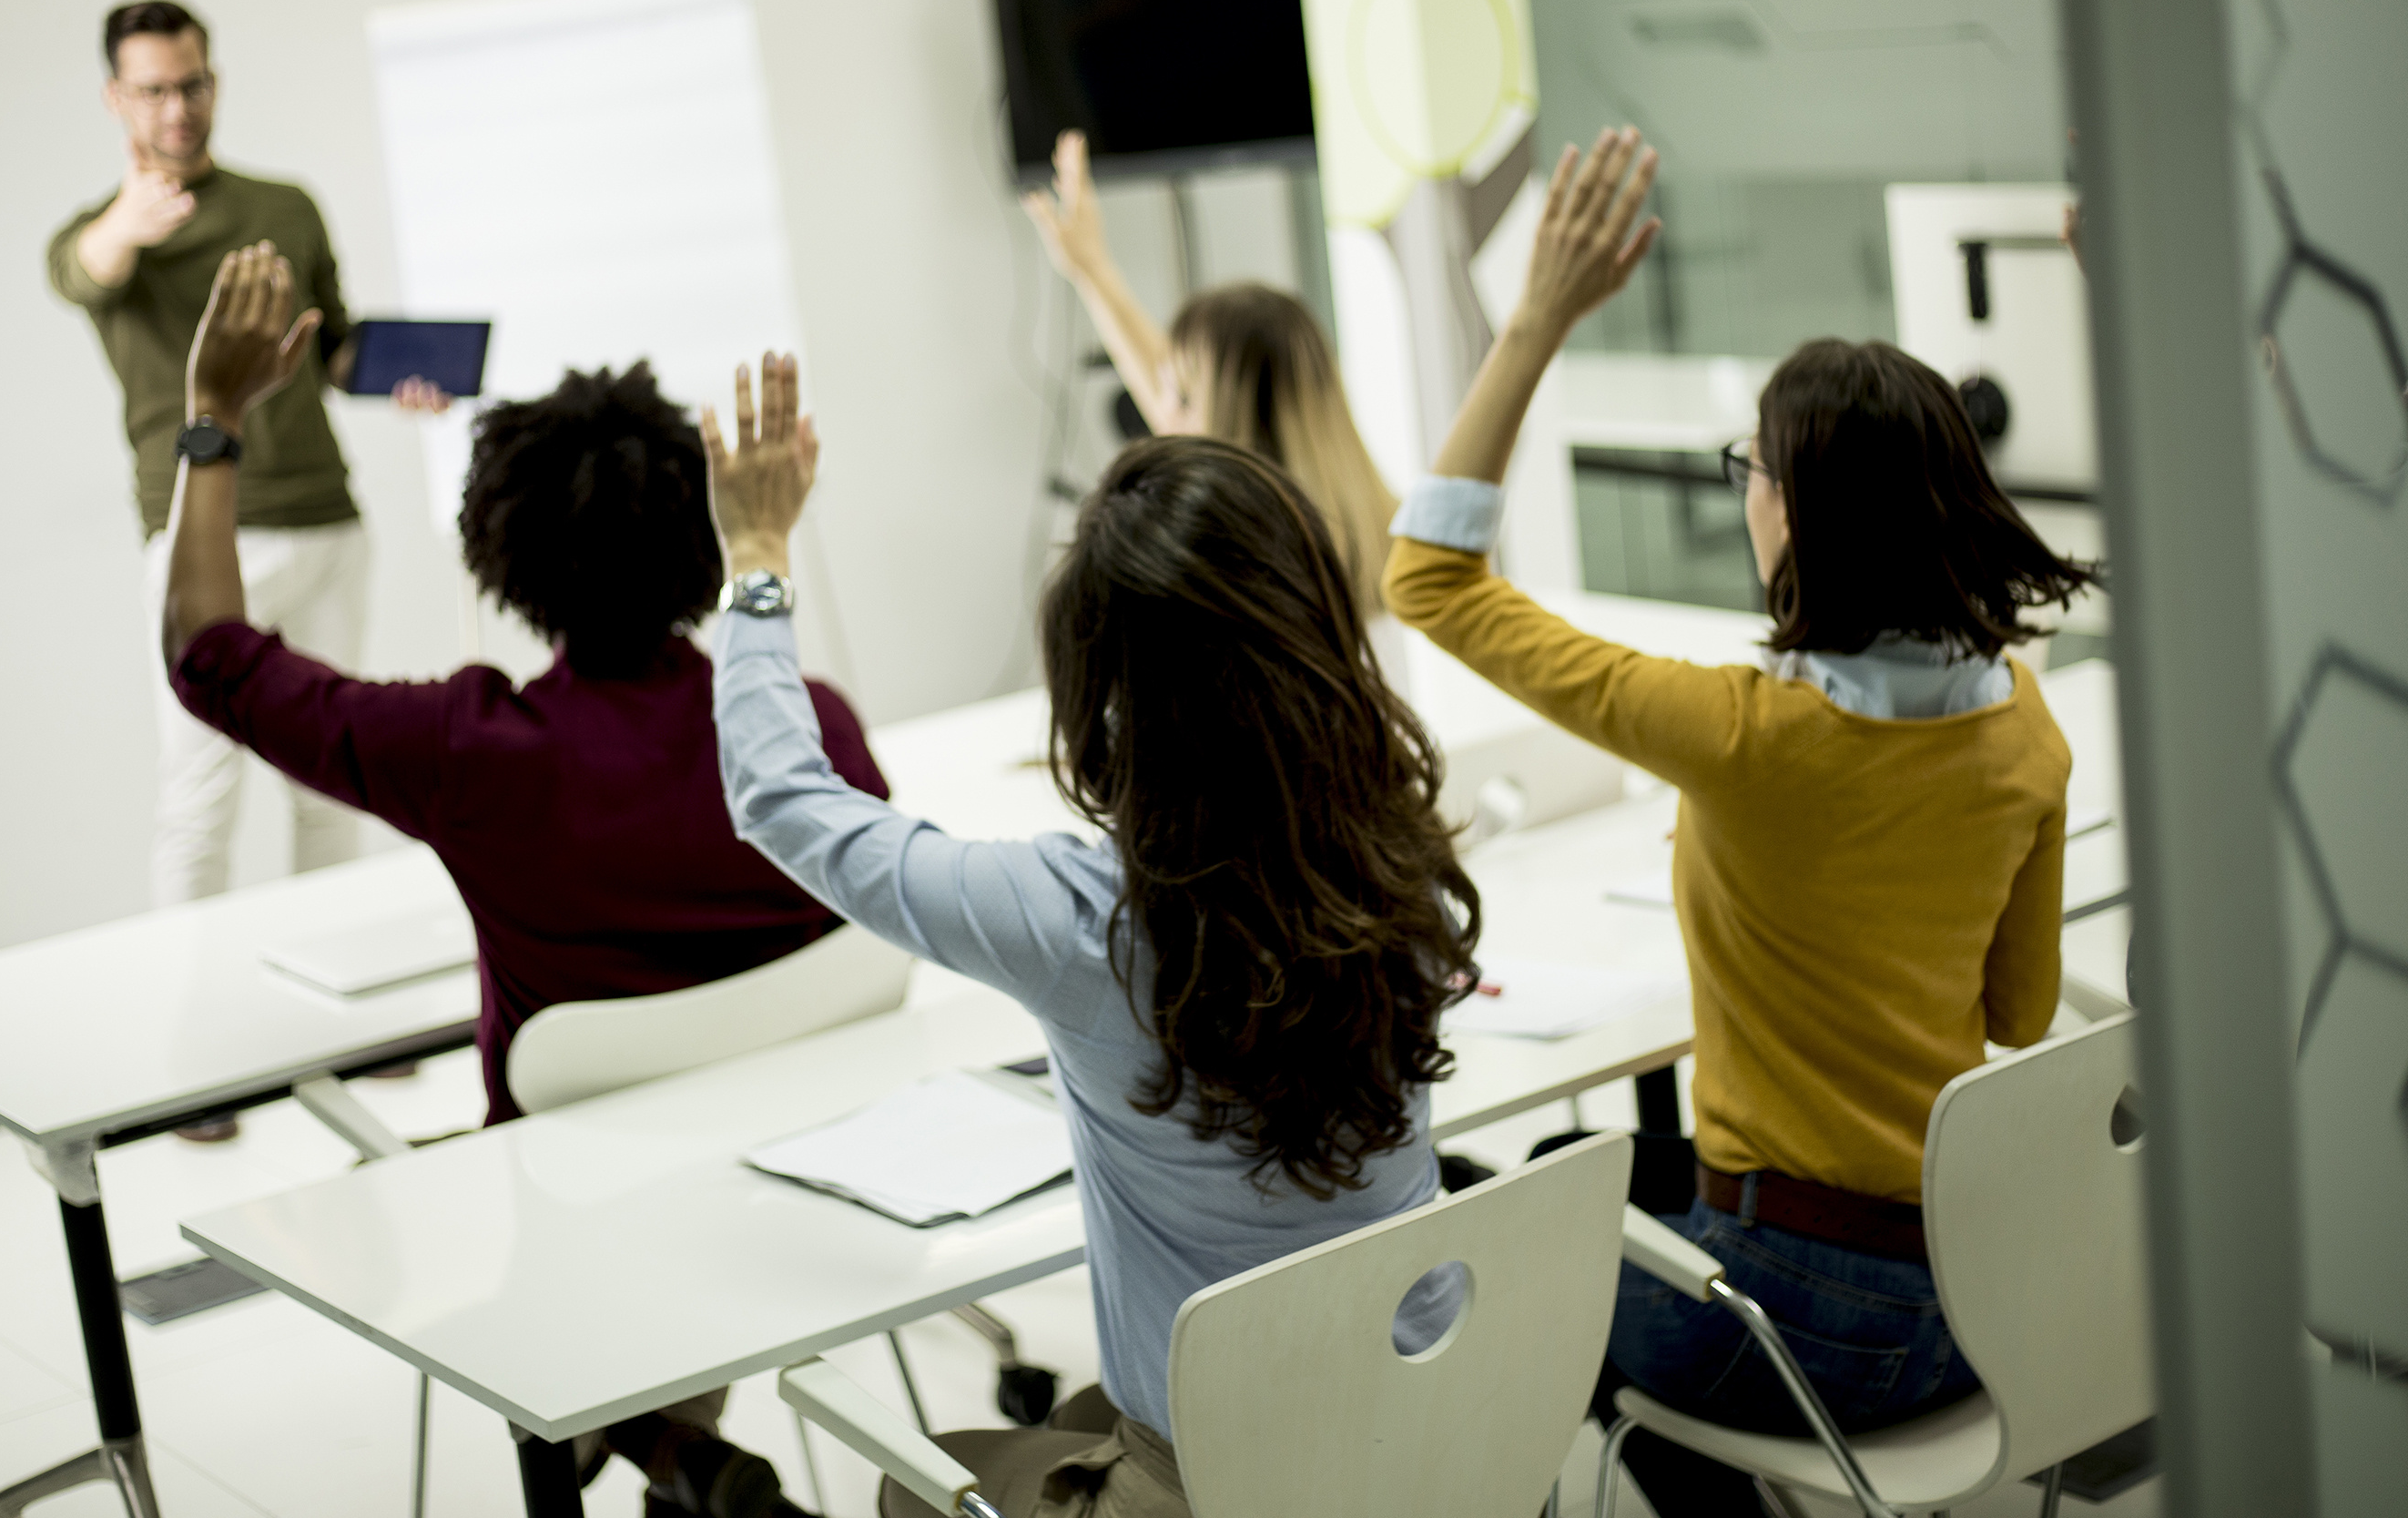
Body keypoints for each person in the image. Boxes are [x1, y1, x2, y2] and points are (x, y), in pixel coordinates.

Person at [1383, 129, 2100, 1518]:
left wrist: (1532, 321)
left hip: (1808, 1320)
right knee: (1565, 1176)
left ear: (1798, 513)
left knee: (1508, 1267)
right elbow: (2013, 1015)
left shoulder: (1740, 732)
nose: (1745, 495)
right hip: (1982, 1285)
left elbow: (1426, 577)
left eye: (1749, 470)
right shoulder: (2022, 725)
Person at [165, 250, 885, 1517]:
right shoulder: (810, 728)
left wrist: (212, 423)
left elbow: (210, 660)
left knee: (496, 1226)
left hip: (574, 1221)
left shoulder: (469, 749)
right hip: (811, 1201)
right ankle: (677, 1451)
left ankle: (663, 1449)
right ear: (706, 536)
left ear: (500, 551)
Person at [705, 351, 1478, 1518]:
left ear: (1103, 690)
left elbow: (782, 796)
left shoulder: (1083, 920)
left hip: (1222, 1485)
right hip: (1434, 1436)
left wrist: (757, 559)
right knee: (1068, 1415)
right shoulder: (1399, 856)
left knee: (918, 1482)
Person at [46, 0, 443, 913]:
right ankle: (202, 1035)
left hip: (326, 523)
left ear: (213, 81)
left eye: (190, 85)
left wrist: (399, 374)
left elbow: (333, 344)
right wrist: (125, 223)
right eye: (152, 91)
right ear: (116, 97)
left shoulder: (284, 205)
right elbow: (80, 270)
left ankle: (334, 1027)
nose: (175, 108)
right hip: (203, 538)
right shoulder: (103, 237)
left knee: (332, 786)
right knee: (199, 798)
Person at [1021, 130, 1397, 619]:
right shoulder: (1373, 536)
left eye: (1181, 398)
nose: (1158, 409)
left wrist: (1093, 270)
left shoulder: (1233, 576)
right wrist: (1092, 269)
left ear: (1237, 427)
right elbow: (1172, 391)